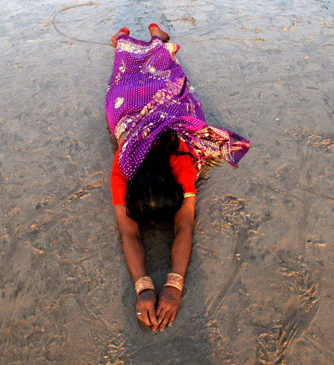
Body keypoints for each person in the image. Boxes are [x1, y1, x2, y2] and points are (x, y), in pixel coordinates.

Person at [106, 24, 250, 332]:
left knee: (154, 75)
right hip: (134, 119)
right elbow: (128, 232)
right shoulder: (122, 167)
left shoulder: (181, 163)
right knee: (128, 72)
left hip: (154, 115)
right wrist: (143, 287)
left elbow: (184, 224)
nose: (156, 228)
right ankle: (130, 41)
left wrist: (174, 286)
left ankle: (155, 41)